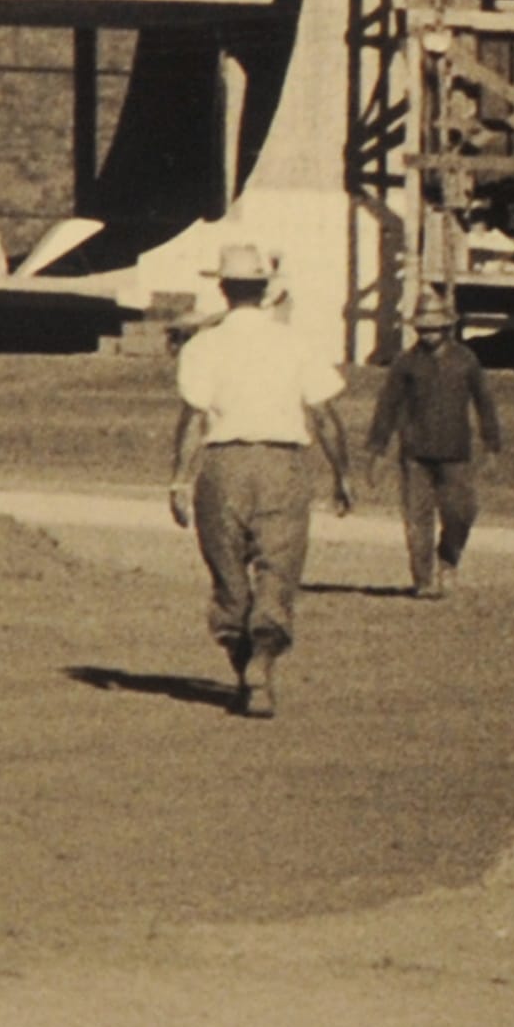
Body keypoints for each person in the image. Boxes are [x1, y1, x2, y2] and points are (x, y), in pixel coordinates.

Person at [168, 243, 353, 717]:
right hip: (282, 465)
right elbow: (326, 417)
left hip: (223, 466)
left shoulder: (203, 345)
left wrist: (178, 480)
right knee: (279, 566)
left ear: (224, 289)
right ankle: (264, 661)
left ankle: (243, 662)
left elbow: (192, 419)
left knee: (227, 571)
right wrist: (341, 475)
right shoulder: (295, 342)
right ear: (266, 289)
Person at [366, 285, 504, 599]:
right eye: (423, 329)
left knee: (462, 512)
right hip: (415, 453)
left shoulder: (465, 360)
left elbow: (484, 402)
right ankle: (423, 580)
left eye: (434, 329)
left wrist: (491, 443)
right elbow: (387, 405)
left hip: (455, 453)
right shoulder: (406, 362)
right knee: (418, 520)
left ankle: (449, 558)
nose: (428, 335)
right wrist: (377, 449)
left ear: (447, 327)